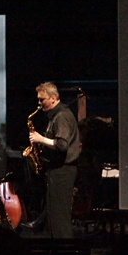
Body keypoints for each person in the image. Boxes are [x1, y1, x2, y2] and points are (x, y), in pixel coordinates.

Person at [27, 82, 80, 239]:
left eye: (41, 99)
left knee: (60, 218)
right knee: (53, 217)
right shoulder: (55, 116)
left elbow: (62, 145)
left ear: (53, 98)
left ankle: (65, 253)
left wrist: (41, 139)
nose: (39, 103)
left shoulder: (62, 116)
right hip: (57, 171)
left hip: (63, 171)